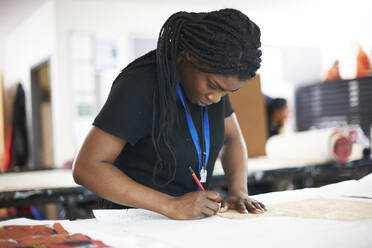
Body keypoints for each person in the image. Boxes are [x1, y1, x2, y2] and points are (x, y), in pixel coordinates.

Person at [73, 8, 267, 220]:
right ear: (192, 56)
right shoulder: (140, 85)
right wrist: (170, 205)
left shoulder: (213, 87)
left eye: (227, 92)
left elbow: (232, 138)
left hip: (186, 220)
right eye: (213, 86)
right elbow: (87, 166)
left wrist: (238, 190)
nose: (216, 98)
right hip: (135, 222)